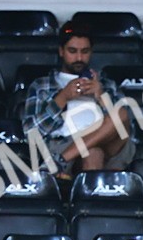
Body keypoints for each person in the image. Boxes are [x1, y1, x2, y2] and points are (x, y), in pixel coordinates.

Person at [21, 22, 134, 179]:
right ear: (61, 51)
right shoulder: (42, 85)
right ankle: (89, 198)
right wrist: (63, 97)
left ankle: (58, 162)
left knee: (120, 113)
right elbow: (30, 133)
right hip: (64, 143)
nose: (79, 58)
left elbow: (127, 126)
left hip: (110, 148)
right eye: (72, 51)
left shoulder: (107, 84)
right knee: (93, 152)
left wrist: (101, 96)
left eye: (85, 51)